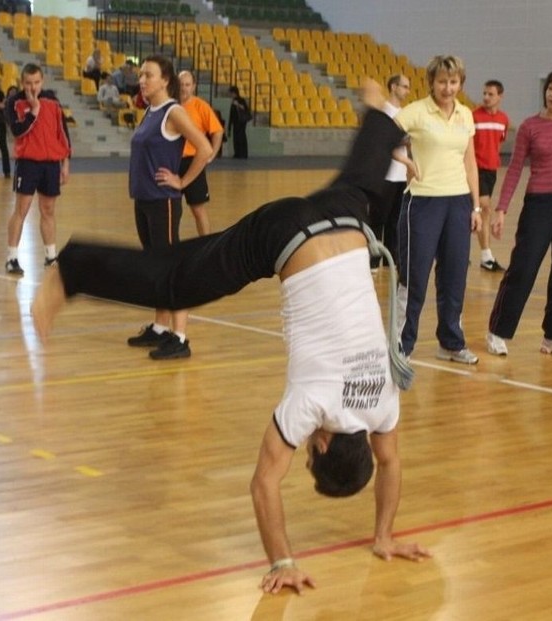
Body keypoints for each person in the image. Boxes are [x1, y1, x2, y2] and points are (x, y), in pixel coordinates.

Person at [32, 80, 429, 592]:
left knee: (361, 186)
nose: (307, 445)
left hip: (346, 222)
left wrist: (385, 534)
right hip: (284, 234)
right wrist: (283, 561)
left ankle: (379, 118)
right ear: (325, 443)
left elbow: (391, 463)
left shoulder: (384, 406)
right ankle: (73, 272)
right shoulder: (312, 406)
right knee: (178, 282)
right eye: (313, 451)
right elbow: (265, 483)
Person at [486, 68, 552, 358]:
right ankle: (498, 330)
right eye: (551, 88)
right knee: (524, 266)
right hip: (539, 204)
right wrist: (502, 209)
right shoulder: (530, 126)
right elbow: (515, 167)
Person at [394, 55, 482, 365]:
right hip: (423, 202)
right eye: (442, 81)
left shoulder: (465, 114)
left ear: (460, 83)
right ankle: (401, 347)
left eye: (454, 81)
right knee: (414, 277)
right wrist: (405, 160)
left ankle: (451, 342)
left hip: (458, 203)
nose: (448, 87)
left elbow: (470, 162)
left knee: (454, 277)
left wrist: (475, 206)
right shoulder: (415, 112)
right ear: (431, 81)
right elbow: (380, 135)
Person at [126, 56, 212, 360]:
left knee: (171, 268)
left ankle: (180, 337)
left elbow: (204, 148)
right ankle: (160, 328)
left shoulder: (173, 112)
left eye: (148, 75)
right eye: (140, 75)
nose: (142, 80)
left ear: (165, 80)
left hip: (163, 201)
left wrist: (183, 181)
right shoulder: (150, 111)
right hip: (144, 200)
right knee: (156, 268)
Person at [4, 63, 71, 275]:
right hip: (28, 163)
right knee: (21, 210)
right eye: (28, 83)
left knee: (48, 210)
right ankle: (12, 258)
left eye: (36, 83)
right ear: (21, 83)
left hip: (51, 163)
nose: (33, 88)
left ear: (42, 81)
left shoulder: (52, 100)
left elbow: (62, 131)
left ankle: (51, 256)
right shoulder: (14, 102)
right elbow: (17, 130)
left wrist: (65, 161)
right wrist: (33, 111)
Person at [370, 73, 411, 270]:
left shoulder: (405, 113)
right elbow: (383, 139)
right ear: (393, 87)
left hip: (400, 175)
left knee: (396, 221)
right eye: (404, 86)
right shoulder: (383, 111)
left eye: (408, 87)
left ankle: (390, 259)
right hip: (384, 174)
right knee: (378, 219)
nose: (407, 91)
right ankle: (373, 259)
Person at [177, 70, 224, 236]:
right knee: (172, 211)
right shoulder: (170, 105)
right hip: (172, 162)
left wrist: (212, 153)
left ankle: (206, 246)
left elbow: (217, 131)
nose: (184, 88)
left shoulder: (200, 106)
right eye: (181, 84)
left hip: (193, 162)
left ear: (194, 86)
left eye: (187, 85)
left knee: (198, 209)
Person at [473, 80, 510, 272]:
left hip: (491, 170)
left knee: (479, 212)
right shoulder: (474, 116)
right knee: (484, 207)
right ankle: (486, 256)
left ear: (499, 96)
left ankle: (483, 256)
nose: (486, 97)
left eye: (491, 94)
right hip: (475, 168)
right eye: (484, 93)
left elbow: (499, 143)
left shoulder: (504, 119)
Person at [228, 85, 250, 159]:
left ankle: (243, 153)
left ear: (234, 93)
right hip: (235, 122)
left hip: (241, 122)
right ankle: (237, 153)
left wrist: (238, 104)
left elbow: (245, 109)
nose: (230, 95)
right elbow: (232, 114)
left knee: (241, 137)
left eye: (231, 93)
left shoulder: (241, 100)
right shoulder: (233, 101)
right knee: (236, 138)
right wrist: (230, 125)